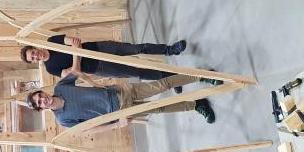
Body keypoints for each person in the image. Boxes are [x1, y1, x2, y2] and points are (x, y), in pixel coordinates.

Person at [26, 73, 220, 128]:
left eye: (41, 96)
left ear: (43, 92)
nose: (44, 99)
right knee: (160, 109)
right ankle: (196, 105)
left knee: (161, 86)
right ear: (41, 109)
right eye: (40, 103)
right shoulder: (63, 120)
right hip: (118, 113)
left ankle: (200, 76)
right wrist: (118, 124)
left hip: (118, 93)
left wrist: (98, 84)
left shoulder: (61, 87)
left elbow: (77, 73)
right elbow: (92, 127)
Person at [20, 34, 186, 80]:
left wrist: (75, 60)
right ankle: (171, 79)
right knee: (136, 73)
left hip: (100, 48)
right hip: (99, 67)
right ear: (35, 62)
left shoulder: (52, 42)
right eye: (33, 58)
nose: (36, 56)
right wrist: (76, 56)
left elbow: (75, 41)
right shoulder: (50, 68)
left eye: (33, 53)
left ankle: (170, 50)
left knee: (136, 48)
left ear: (35, 48)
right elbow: (73, 73)